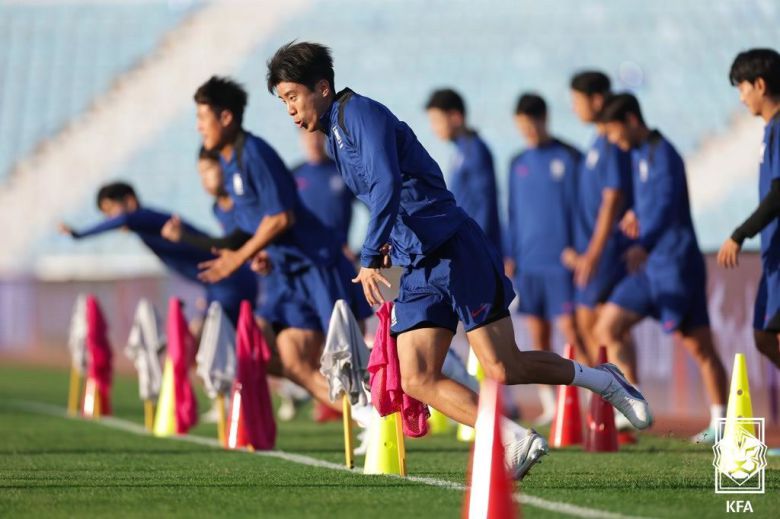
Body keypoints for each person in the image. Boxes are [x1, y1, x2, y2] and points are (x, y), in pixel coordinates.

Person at [266, 41, 652, 479]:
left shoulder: (359, 113)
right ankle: (515, 438)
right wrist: (391, 242)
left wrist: (371, 255)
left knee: (505, 367)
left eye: (293, 97)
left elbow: (388, 185)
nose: (291, 111)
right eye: (283, 102)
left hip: (452, 248)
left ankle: (603, 380)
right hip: (415, 263)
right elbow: (390, 195)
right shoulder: (335, 136)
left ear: (321, 87)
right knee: (415, 377)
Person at [176, 76, 372, 413]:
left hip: (317, 266)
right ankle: (367, 417)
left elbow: (282, 218)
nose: (198, 127)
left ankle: (392, 405)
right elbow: (250, 226)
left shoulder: (255, 153)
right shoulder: (230, 163)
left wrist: (239, 257)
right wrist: (246, 250)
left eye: (202, 118)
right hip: (287, 272)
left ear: (226, 117)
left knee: (348, 360)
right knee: (292, 363)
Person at [596, 93, 728, 442]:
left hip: (676, 266)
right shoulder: (639, 153)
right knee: (608, 325)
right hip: (650, 269)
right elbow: (652, 205)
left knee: (700, 347)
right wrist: (634, 215)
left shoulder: (665, 154)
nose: (612, 140)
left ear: (631, 121)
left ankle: (723, 424)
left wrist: (643, 241)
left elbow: (668, 209)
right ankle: (633, 399)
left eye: (613, 131)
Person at [59, 182, 257, 327]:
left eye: (111, 210)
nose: (110, 218)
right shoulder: (146, 225)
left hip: (230, 283)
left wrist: (79, 234)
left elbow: (124, 218)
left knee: (208, 342)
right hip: (219, 286)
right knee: (213, 347)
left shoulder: (144, 217)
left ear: (129, 201)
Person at [505, 93, 584, 425]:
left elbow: (583, 209)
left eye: (533, 125)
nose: (529, 132)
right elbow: (512, 213)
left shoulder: (569, 157)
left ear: (544, 119)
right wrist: (509, 253)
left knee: (574, 332)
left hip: (560, 263)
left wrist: (577, 248)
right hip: (528, 263)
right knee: (537, 336)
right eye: (522, 127)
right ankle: (551, 404)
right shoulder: (517, 162)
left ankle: (591, 398)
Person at [563, 71, 634, 366]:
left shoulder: (611, 143)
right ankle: (612, 401)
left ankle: (626, 398)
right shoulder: (596, 142)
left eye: (577, 101)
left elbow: (612, 198)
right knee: (590, 325)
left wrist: (593, 252)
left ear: (597, 99)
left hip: (605, 249)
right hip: (590, 248)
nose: (574, 108)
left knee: (601, 326)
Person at [718, 48, 780, 369]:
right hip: (773, 253)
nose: (741, 98)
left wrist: (740, 234)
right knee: (764, 336)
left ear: (760, 84)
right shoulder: (770, 131)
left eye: (742, 88)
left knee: (773, 334)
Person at [425, 88, 502, 253]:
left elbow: (484, 204)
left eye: (437, 120)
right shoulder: (460, 151)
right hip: (465, 242)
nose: (434, 128)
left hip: (475, 247)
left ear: (456, 117)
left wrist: (478, 247)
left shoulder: (475, 150)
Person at [293, 130, 357, 261]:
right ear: (301, 140)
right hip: (305, 257)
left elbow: (374, 207)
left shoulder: (343, 171)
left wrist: (367, 249)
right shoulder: (294, 174)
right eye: (309, 137)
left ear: (324, 137)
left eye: (317, 136)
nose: (314, 142)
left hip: (339, 256)